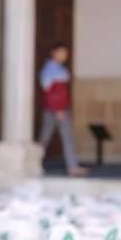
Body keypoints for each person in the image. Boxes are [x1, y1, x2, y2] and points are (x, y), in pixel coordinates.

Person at [38, 42, 87, 177]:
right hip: (56, 110)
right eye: (61, 52)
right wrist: (58, 109)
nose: (64, 55)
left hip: (59, 108)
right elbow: (50, 93)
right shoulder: (50, 69)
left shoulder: (59, 68)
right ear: (53, 53)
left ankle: (72, 166)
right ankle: (72, 167)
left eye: (65, 53)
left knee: (49, 137)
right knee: (54, 137)